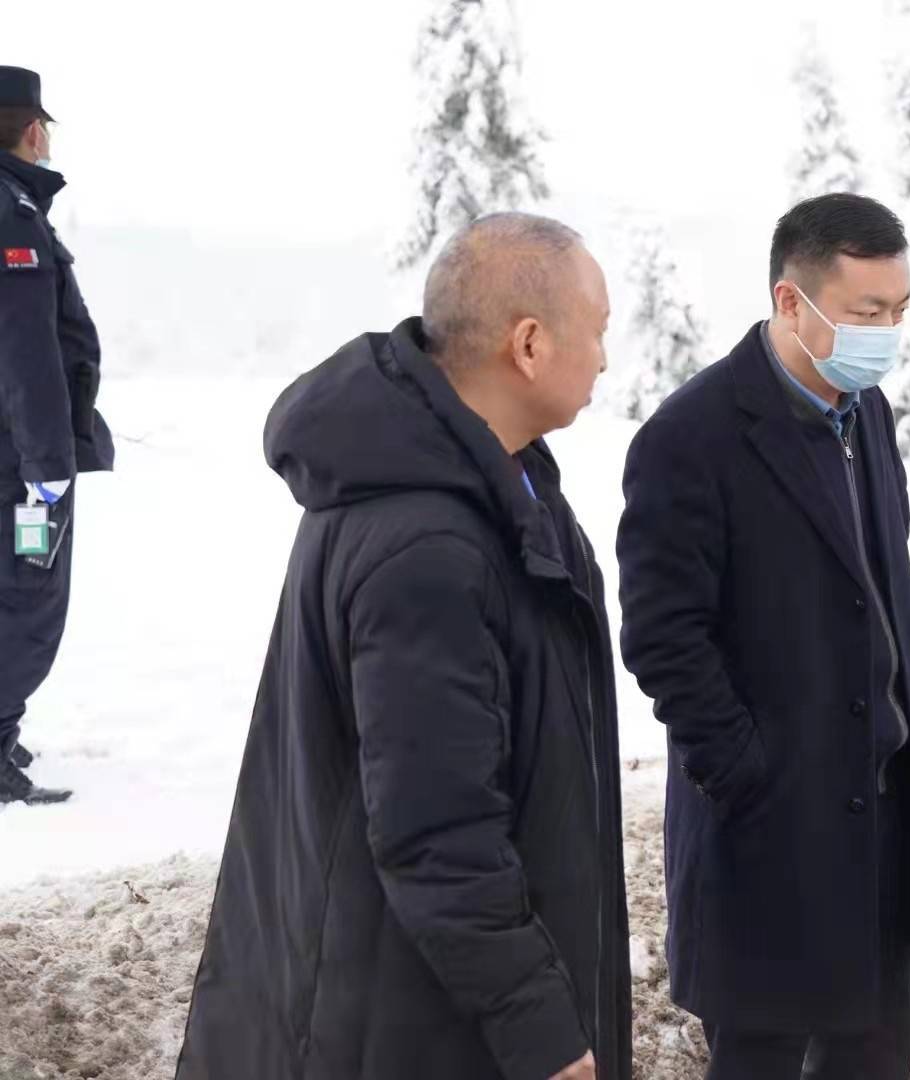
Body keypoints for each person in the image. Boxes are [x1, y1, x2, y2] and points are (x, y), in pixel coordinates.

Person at [175, 214, 630, 1080]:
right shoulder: (428, 544)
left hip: (420, 998)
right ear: (529, 344)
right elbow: (438, 830)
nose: (606, 357)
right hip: (409, 1022)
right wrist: (541, 1026)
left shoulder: (503, 479)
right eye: (598, 330)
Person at [618, 192, 910, 1080]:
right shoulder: (690, 438)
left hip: (875, 820)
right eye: (866, 312)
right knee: (760, 1057)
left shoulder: (867, 412)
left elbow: (886, 587)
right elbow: (662, 637)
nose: (888, 332)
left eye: (899, 310)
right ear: (791, 304)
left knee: (871, 1059)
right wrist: (746, 771)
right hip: (766, 834)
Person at [0, 66, 113, 805]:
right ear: (32, 130)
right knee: (26, 598)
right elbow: (28, 353)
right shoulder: (12, 218)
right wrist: (47, 466)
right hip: (21, 468)